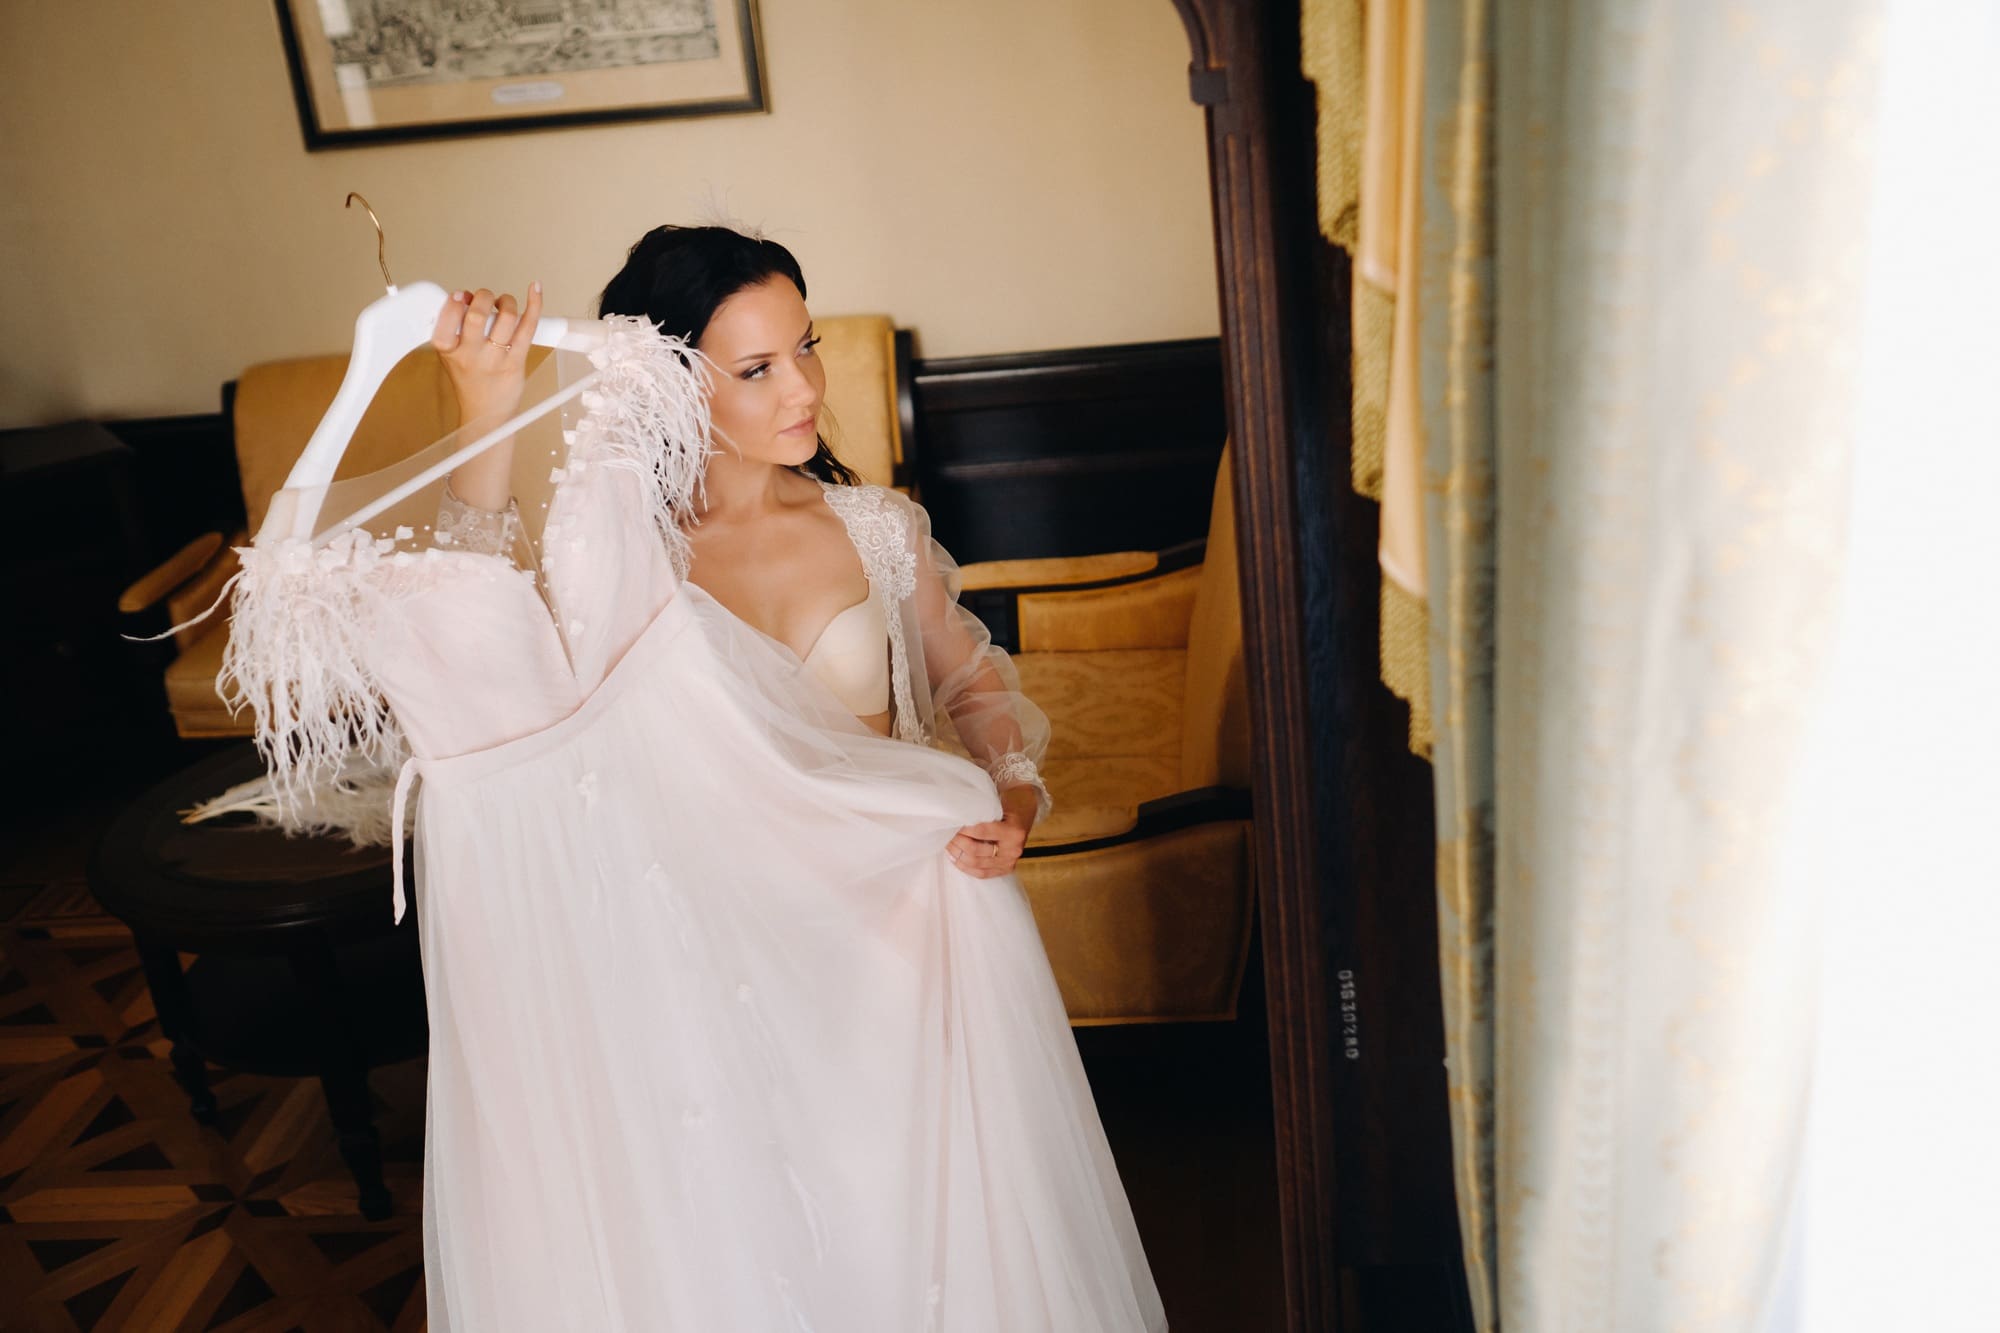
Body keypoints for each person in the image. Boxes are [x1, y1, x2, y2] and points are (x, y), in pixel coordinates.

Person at [340, 223, 1165, 1330]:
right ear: (674, 381)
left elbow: (971, 684)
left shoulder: (869, 527)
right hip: (717, 949)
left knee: (914, 1229)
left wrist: (1012, 801)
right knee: (765, 1236)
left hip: (893, 939)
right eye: (760, 368)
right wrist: (482, 405)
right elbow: (480, 647)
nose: (806, 389)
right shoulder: (623, 543)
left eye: (808, 347)